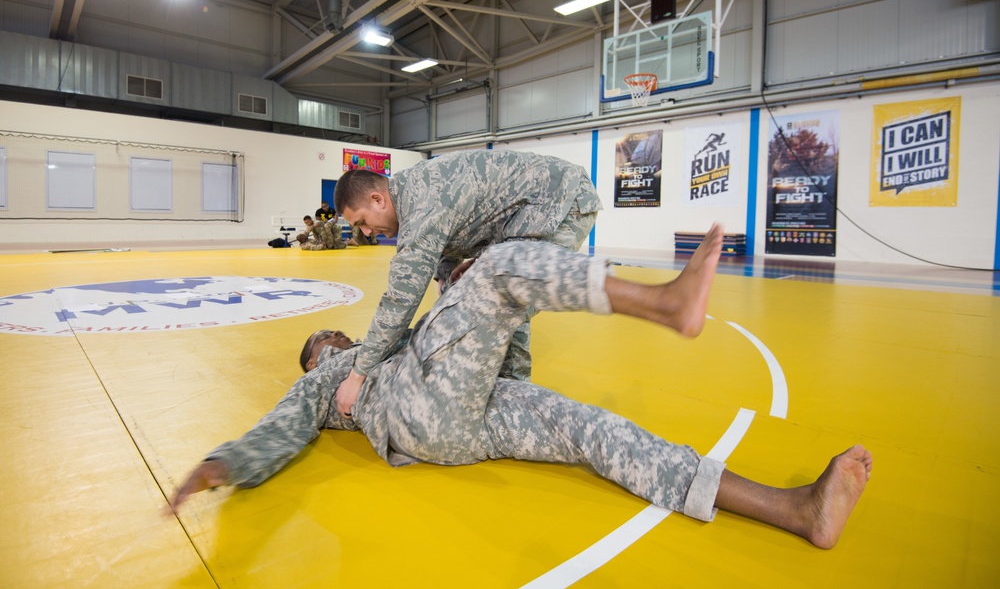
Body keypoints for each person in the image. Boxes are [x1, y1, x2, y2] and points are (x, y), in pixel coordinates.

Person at [166, 227, 872, 550]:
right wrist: (222, 463)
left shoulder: (390, 343)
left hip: (468, 416)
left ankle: (793, 508)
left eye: (334, 339)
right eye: (325, 346)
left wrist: (468, 299)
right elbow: (283, 424)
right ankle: (663, 302)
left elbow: (505, 368)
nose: (334, 343)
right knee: (500, 269)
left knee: (595, 429)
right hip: (417, 411)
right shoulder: (330, 383)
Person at [333, 149, 602, 417]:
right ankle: (506, 386)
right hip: (526, 215)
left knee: (505, 298)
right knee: (483, 293)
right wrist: (446, 272)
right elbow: (449, 227)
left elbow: (400, 301)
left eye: (363, 222)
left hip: (561, 202)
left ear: (377, 199)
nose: (366, 232)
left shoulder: (420, 204)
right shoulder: (410, 192)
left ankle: (516, 399)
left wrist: (358, 376)